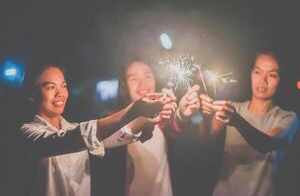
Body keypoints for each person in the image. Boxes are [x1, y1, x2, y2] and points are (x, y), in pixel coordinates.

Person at [19, 63, 176, 196]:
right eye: (51, 87)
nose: (60, 93)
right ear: (33, 94)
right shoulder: (27, 134)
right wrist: (133, 111)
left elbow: (114, 136)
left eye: (63, 85)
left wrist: (149, 118)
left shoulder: (71, 127)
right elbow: (72, 139)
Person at [197, 52, 299, 196]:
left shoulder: (287, 118)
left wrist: (237, 121)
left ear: (281, 80)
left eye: (272, 75)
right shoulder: (233, 108)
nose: (263, 80)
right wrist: (206, 116)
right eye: (258, 72)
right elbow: (206, 136)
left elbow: (266, 144)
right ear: (251, 74)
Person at [94, 59, 200, 196]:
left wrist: (182, 114)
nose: (142, 84)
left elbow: (175, 128)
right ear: (124, 86)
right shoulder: (112, 121)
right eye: (134, 79)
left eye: (147, 76)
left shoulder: (163, 119)